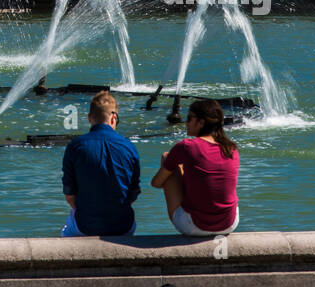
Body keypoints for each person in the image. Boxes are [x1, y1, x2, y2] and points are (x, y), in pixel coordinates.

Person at [151, 98, 239, 236]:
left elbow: (156, 183)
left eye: (190, 118)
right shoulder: (231, 149)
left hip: (195, 225)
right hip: (229, 223)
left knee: (167, 158)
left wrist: (178, 177)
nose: (185, 122)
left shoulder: (186, 146)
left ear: (201, 122)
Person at [61, 90, 140, 236]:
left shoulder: (75, 146)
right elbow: (133, 192)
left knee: (66, 233)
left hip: (86, 225)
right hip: (123, 225)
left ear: (90, 118)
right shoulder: (129, 147)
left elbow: (69, 195)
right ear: (113, 118)